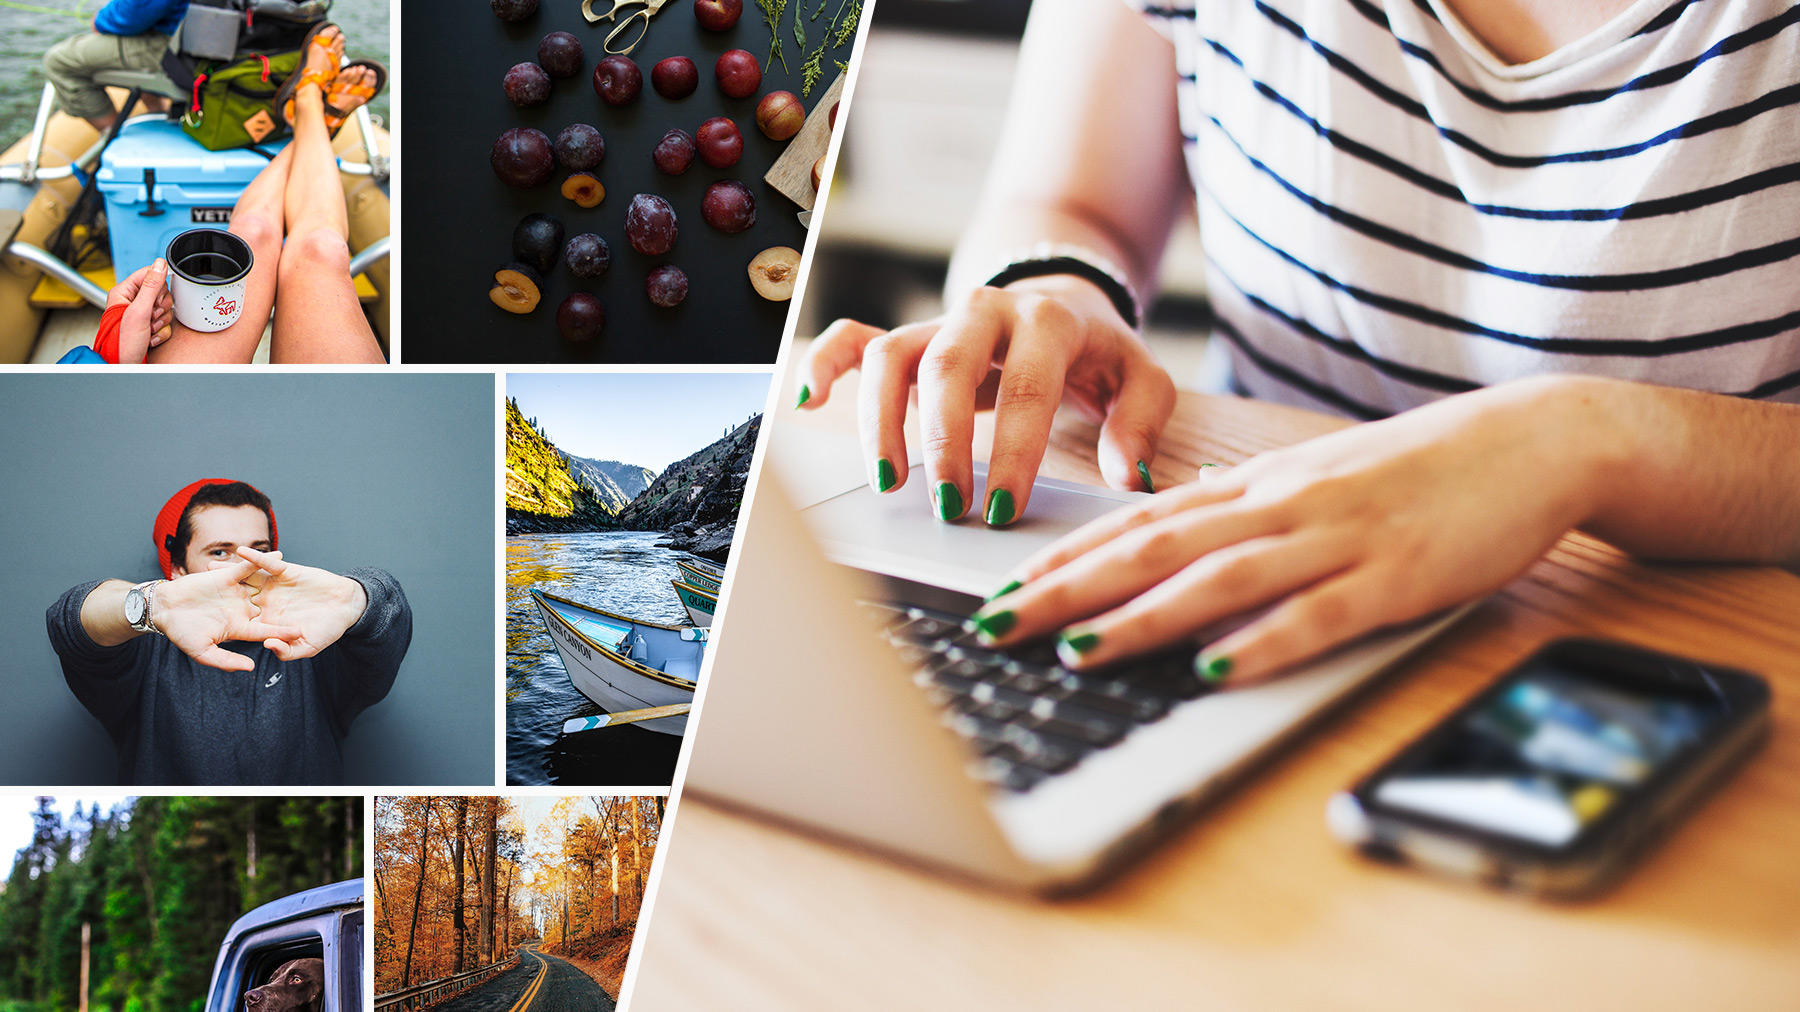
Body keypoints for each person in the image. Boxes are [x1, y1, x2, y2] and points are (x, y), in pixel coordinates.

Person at [799, 0, 1800, 686]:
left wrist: (1581, 441)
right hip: (1242, 592)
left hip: (1644, 658)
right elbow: (1070, 198)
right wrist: (1053, 290)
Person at [45, 478, 412, 784]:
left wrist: (353, 600)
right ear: (178, 569)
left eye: (258, 550)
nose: (245, 566)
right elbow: (68, 620)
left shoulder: (313, 645)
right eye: (220, 552)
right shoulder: (143, 655)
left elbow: (388, 617)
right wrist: (156, 604)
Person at [61, 24, 387, 364]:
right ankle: (314, 113)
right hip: (157, 391)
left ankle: (311, 109)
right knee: (324, 249)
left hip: (120, 373)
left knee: (255, 231)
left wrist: (115, 354)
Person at [42, 0, 186, 132]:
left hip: (173, 48)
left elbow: (132, 15)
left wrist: (101, 21)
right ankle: (157, 111)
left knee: (59, 61)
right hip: (187, 40)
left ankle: (118, 135)